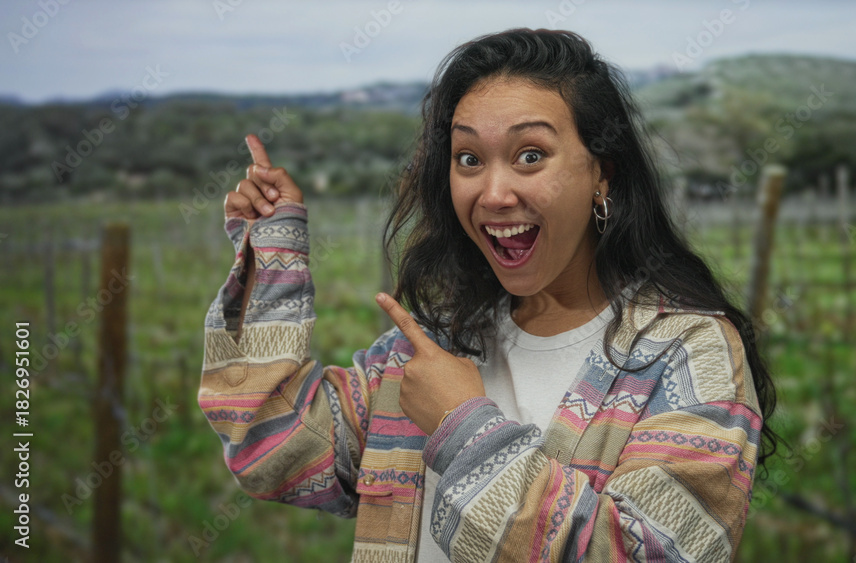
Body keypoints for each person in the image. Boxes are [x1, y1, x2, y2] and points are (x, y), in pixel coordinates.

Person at [199, 28, 777, 562]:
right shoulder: (433, 344)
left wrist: (462, 426)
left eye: (531, 155)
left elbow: (648, 551)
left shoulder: (688, 356)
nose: (494, 193)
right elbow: (271, 445)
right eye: (469, 159)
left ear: (603, 173)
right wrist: (273, 249)